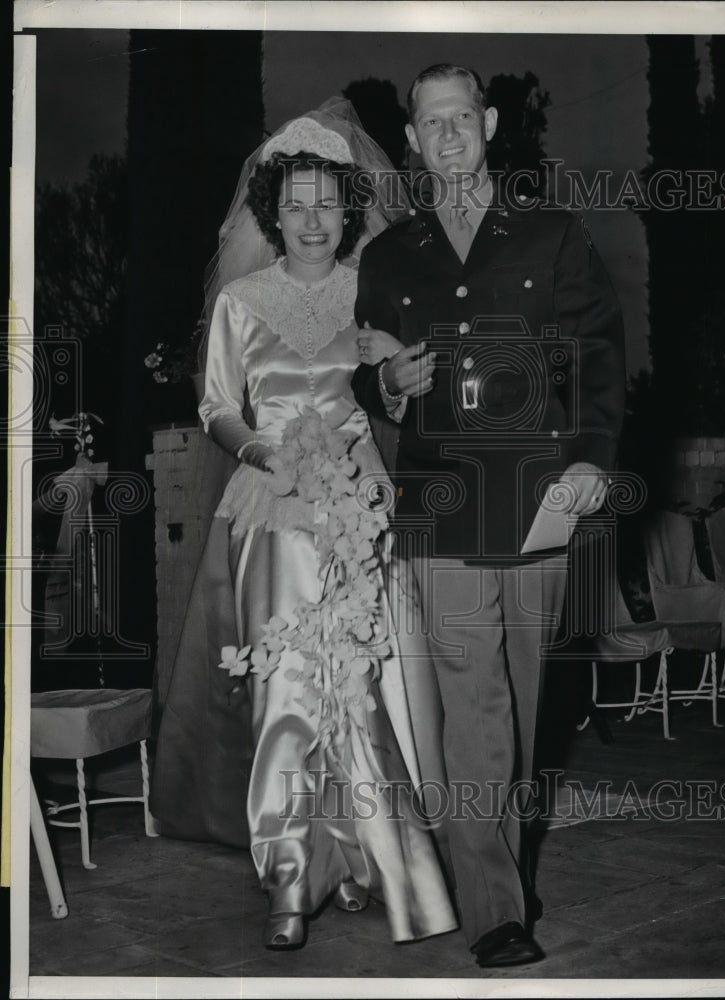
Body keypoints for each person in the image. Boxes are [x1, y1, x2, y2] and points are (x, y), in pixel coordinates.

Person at [151, 101, 457, 951]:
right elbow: (215, 402)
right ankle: (289, 873)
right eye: (297, 204)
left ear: (347, 209)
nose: (314, 218)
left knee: (357, 689)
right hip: (274, 501)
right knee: (288, 691)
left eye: (328, 202)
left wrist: (394, 384)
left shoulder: (371, 289)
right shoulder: (242, 302)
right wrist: (258, 452)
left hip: (359, 506)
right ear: (271, 213)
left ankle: (361, 858)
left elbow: (394, 389)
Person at [351, 64, 626, 967]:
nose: (448, 134)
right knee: (474, 715)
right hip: (442, 503)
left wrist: (592, 455)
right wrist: (384, 381)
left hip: (540, 501)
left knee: (526, 711)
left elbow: (597, 352)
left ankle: (497, 868)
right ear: (415, 144)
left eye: (461, 116)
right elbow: (364, 367)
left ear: (490, 122)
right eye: (431, 124)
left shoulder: (551, 232)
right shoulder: (390, 255)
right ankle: (496, 911)